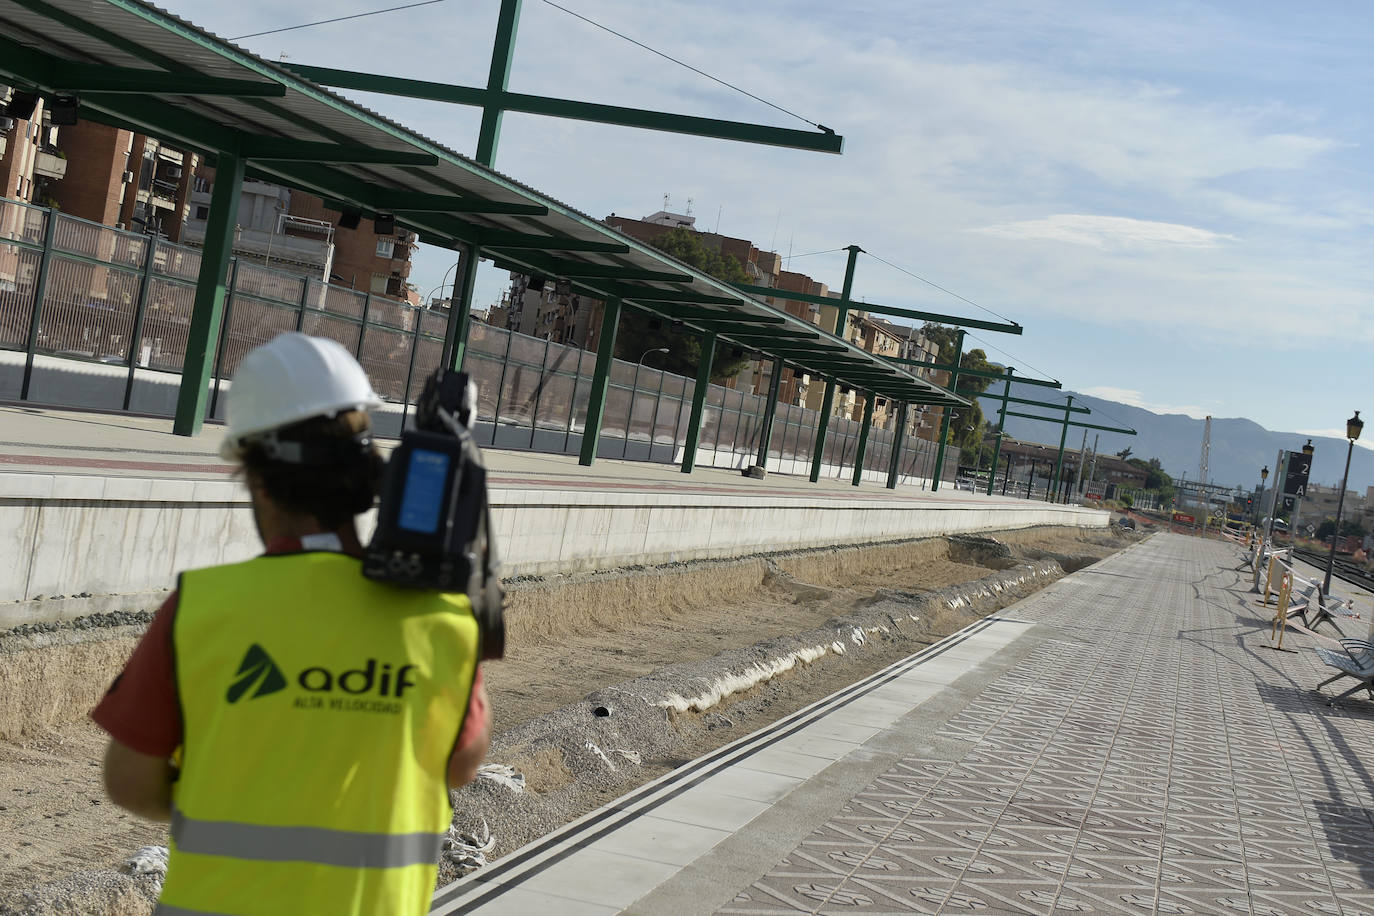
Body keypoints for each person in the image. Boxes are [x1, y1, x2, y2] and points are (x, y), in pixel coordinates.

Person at [92, 333, 491, 915]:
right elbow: (462, 763)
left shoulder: (202, 607)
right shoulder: (443, 618)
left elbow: (129, 781)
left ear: (256, 478)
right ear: (368, 474)